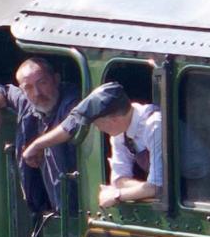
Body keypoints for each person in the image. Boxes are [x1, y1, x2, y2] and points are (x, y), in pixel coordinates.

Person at [27, 80, 166, 209]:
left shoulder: (154, 127)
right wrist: (145, 189)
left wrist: (117, 195)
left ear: (113, 120)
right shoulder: (120, 132)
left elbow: (158, 187)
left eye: (98, 124)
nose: (98, 129)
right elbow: (119, 180)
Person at [0, 57, 74, 217]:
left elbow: (72, 123)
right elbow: (0, 90)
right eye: (28, 87)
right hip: (45, 210)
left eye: (42, 83)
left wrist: (38, 145)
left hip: (74, 212)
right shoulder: (26, 101)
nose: (37, 93)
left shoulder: (71, 101)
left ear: (56, 79)